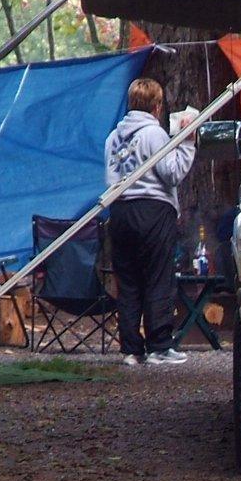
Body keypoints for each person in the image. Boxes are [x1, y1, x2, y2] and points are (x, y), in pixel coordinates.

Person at [103, 76, 195, 366]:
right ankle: (160, 345)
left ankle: (131, 348)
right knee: (158, 277)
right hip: (152, 209)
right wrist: (187, 143)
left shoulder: (113, 137)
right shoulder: (154, 134)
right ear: (157, 107)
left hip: (119, 211)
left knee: (128, 280)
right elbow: (172, 173)